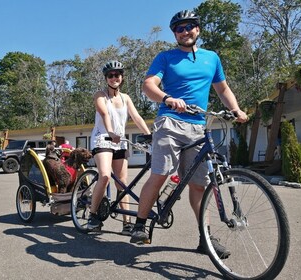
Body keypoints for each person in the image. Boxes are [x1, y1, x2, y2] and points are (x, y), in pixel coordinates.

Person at [129, 10, 248, 258]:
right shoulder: (166, 58)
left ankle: (205, 238)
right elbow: (149, 85)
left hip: (197, 126)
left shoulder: (211, 58)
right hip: (170, 121)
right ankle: (140, 225)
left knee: (199, 185)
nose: (185, 32)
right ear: (175, 34)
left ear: (198, 29)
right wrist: (168, 98)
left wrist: (235, 109)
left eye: (189, 27)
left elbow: (223, 88)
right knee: (161, 173)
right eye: (179, 29)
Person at [89, 60, 151, 235]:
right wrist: (110, 131)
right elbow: (104, 113)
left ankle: (127, 223)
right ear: (106, 78)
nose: (114, 78)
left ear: (122, 77)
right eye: (110, 75)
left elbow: (137, 117)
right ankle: (93, 216)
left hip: (120, 141)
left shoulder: (126, 98)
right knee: (105, 176)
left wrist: (149, 135)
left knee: (122, 184)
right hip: (103, 139)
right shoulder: (100, 95)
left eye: (117, 75)